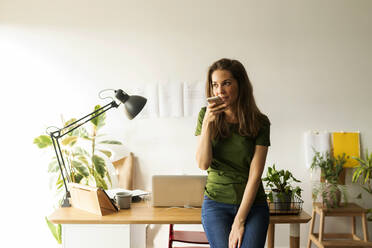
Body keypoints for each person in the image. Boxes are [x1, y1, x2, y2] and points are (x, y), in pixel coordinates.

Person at [195, 58, 271, 248]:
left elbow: (255, 175)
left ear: (240, 85)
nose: (219, 90)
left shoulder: (260, 122)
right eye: (215, 85)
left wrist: (240, 220)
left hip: (252, 204)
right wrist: (207, 124)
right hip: (216, 203)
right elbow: (203, 164)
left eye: (226, 83)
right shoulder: (205, 115)